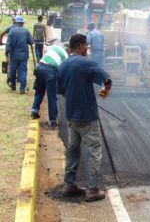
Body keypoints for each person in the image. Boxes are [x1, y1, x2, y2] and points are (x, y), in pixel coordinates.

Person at [57, 33, 112, 202]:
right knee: (94, 151)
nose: (87, 48)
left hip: (71, 116)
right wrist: (104, 91)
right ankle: (92, 190)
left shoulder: (63, 65)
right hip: (87, 117)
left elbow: (60, 91)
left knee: (72, 150)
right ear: (80, 46)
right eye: (86, 46)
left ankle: (69, 185)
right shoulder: (86, 63)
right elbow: (107, 79)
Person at [31, 45, 69, 128]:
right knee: (51, 96)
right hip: (50, 71)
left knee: (39, 91)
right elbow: (64, 74)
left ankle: (34, 111)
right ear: (69, 50)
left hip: (39, 67)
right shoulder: (66, 56)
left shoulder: (55, 47)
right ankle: (53, 121)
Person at [5, 16, 34, 94]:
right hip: (24, 55)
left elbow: (8, 44)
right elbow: (31, 42)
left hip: (14, 55)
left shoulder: (11, 31)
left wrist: (6, 53)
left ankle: (13, 85)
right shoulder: (26, 31)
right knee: (23, 71)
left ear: (16, 23)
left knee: (13, 70)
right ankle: (22, 88)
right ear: (22, 23)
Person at [1, 15, 16, 85]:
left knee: (9, 64)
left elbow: (2, 33)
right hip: (17, 49)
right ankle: (16, 77)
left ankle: (10, 77)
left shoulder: (9, 28)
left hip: (9, 48)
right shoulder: (21, 28)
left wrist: (1, 41)